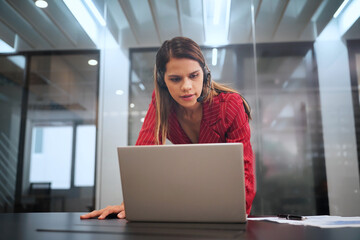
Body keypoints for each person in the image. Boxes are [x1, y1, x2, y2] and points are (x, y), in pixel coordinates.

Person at [80, 37, 256, 220]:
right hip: (191, 199)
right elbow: (144, 157)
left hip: (227, 203)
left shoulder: (230, 105)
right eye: (175, 79)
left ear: (205, 74)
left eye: (194, 75)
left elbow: (244, 172)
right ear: (162, 81)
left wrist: (236, 213)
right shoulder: (162, 104)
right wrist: (130, 205)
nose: (186, 86)